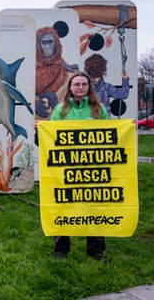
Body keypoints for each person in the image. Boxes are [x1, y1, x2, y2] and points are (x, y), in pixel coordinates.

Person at [35, 71, 109, 262]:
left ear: (89, 88)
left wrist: (127, 126)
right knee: (63, 207)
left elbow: (110, 135)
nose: (81, 88)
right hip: (65, 169)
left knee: (93, 207)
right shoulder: (60, 110)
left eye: (84, 84)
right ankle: (61, 250)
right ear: (70, 88)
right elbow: (51, 137)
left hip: (92, 168)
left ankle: (96, 251)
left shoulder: (99, 110)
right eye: (77, 84)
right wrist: (41, 129)